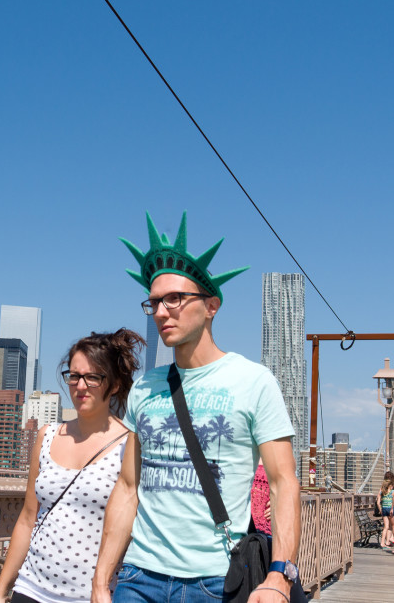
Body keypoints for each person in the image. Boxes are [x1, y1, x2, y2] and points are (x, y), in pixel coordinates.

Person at [92, 213, 302, 603]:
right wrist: (102, 580)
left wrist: (280, 575)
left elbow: (283, 482)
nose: (161, 311)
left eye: (175, 298)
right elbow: (127, 487)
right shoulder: (146, 387)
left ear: (211, 306)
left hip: (214, 580)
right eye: (154, 302)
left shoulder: (254, 381)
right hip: (139, 576)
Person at [0, 329, 146, 603]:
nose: (80, 386)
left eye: (93, 377)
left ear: (114, 385)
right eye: (74, 376)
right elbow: (28, 518)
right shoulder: (48, 435)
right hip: (30, 588)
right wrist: (1, 590)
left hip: (89, 596)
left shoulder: (129, 443)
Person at [378, 471, 394, 549]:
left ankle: (383, 543)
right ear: (390, 485)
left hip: (384, 509)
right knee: (393, 526)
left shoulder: (382, 491)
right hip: (390, 509)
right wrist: (392, 508)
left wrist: (381, 510)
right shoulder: (393, 492)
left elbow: (378, 502)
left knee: (385, 527)